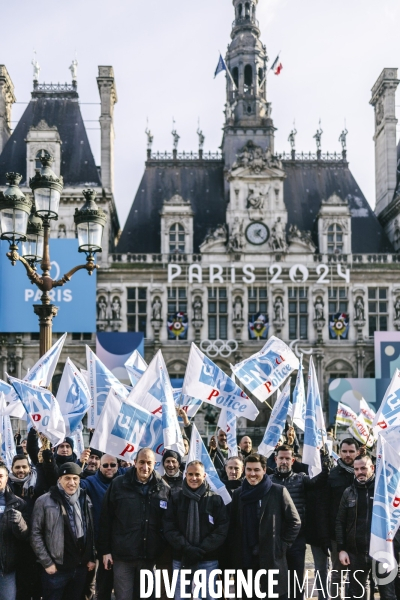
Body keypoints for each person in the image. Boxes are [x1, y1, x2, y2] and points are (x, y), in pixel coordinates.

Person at [98, 447, 170, 600]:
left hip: (149, 558)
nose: (145, 467)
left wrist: (160, 547)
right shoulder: (118, 484)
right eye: (142, 462)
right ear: (135, 462)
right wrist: (105, 551)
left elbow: (167, 523)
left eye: (149, 463)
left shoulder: (163, 488)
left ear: (154, 464)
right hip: (123, 557)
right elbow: (105, 519)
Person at [227, 453, 301, 599]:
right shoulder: (238, 494)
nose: (252, 474)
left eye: (256, 470)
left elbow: (295, 521)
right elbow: (234, 525)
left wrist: (282, 545)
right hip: (246, 559)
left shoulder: (278, 491)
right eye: (249, 470)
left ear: (264, 470)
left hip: (271, 558)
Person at [269, 445, 330, 599]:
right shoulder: (268, 482)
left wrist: (324, 461)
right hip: (274, 539)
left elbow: (319, 481)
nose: (284, 461)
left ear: (293, 460)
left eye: (287, 458)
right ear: (275, 459)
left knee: (297, 581)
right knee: (276, 582)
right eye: (281, 458)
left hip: (297, 539)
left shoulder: (301, 478)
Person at [163, 460, 229, 600]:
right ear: (185, 475)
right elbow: (169, 526)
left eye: (197, 474)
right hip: (181, 557)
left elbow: (221, 529)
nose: (194, 478)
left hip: (208, 559)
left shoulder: (215, 499)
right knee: (181, 596)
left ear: (204, 475)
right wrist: (187, 548)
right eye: (190, 474)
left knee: (209, 596)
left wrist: (202, 549)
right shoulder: (176, 498)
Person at [31, 462, 96, 600]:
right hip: (56, 569)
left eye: (75, 478)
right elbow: (35, 533)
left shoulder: (85, 498)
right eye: (67, 478)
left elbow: (90, 530)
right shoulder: (44, 501)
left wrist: (91, 557)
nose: (71, 482)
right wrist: (47, 562)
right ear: (59, 479)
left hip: (80, 568)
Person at [336, 455, 396, 600]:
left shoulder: (384, 492)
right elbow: (340, 522)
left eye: (363, 468)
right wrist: (342, 549)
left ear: (372, 468)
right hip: (357, 553)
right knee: (357, 595)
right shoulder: (348, 492)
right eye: (356, 469)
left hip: (383, 553)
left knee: (388, 595)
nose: (360, 472)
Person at [80, 454, 126, 600]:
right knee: (103, 584)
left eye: (112, 465)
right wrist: (79, 463)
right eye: (105, 465)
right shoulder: (90, 482)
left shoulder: (125, 480)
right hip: (102, 540)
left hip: (123, 541)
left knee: (124, 586)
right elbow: (75, 484)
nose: (109, 468)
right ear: (99, 466)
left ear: (118, 466)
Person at [320, 437, 359, 598]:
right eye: (344, 451)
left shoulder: (365, 473)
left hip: (359, 534)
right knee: (337, 574)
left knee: (358, 575)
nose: (348, 455)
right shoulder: (332, 474)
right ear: (339, 452)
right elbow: (325, 506)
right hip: (337, 534)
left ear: (358, 452)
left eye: (351, 451)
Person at [8, 455, 41, 600]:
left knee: (35, 587)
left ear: (29, 468)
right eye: (17, 467)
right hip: (13, 544)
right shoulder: (6, 487)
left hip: (35, 543)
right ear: (12, 469)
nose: (21, 470)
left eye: (24, 466)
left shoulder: (37, 485)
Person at [0, 462, 29, 600]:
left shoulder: (19, 503)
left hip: (7, 568)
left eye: (0, 476)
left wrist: (20, 522)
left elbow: (25, 536)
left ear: (7, 478)